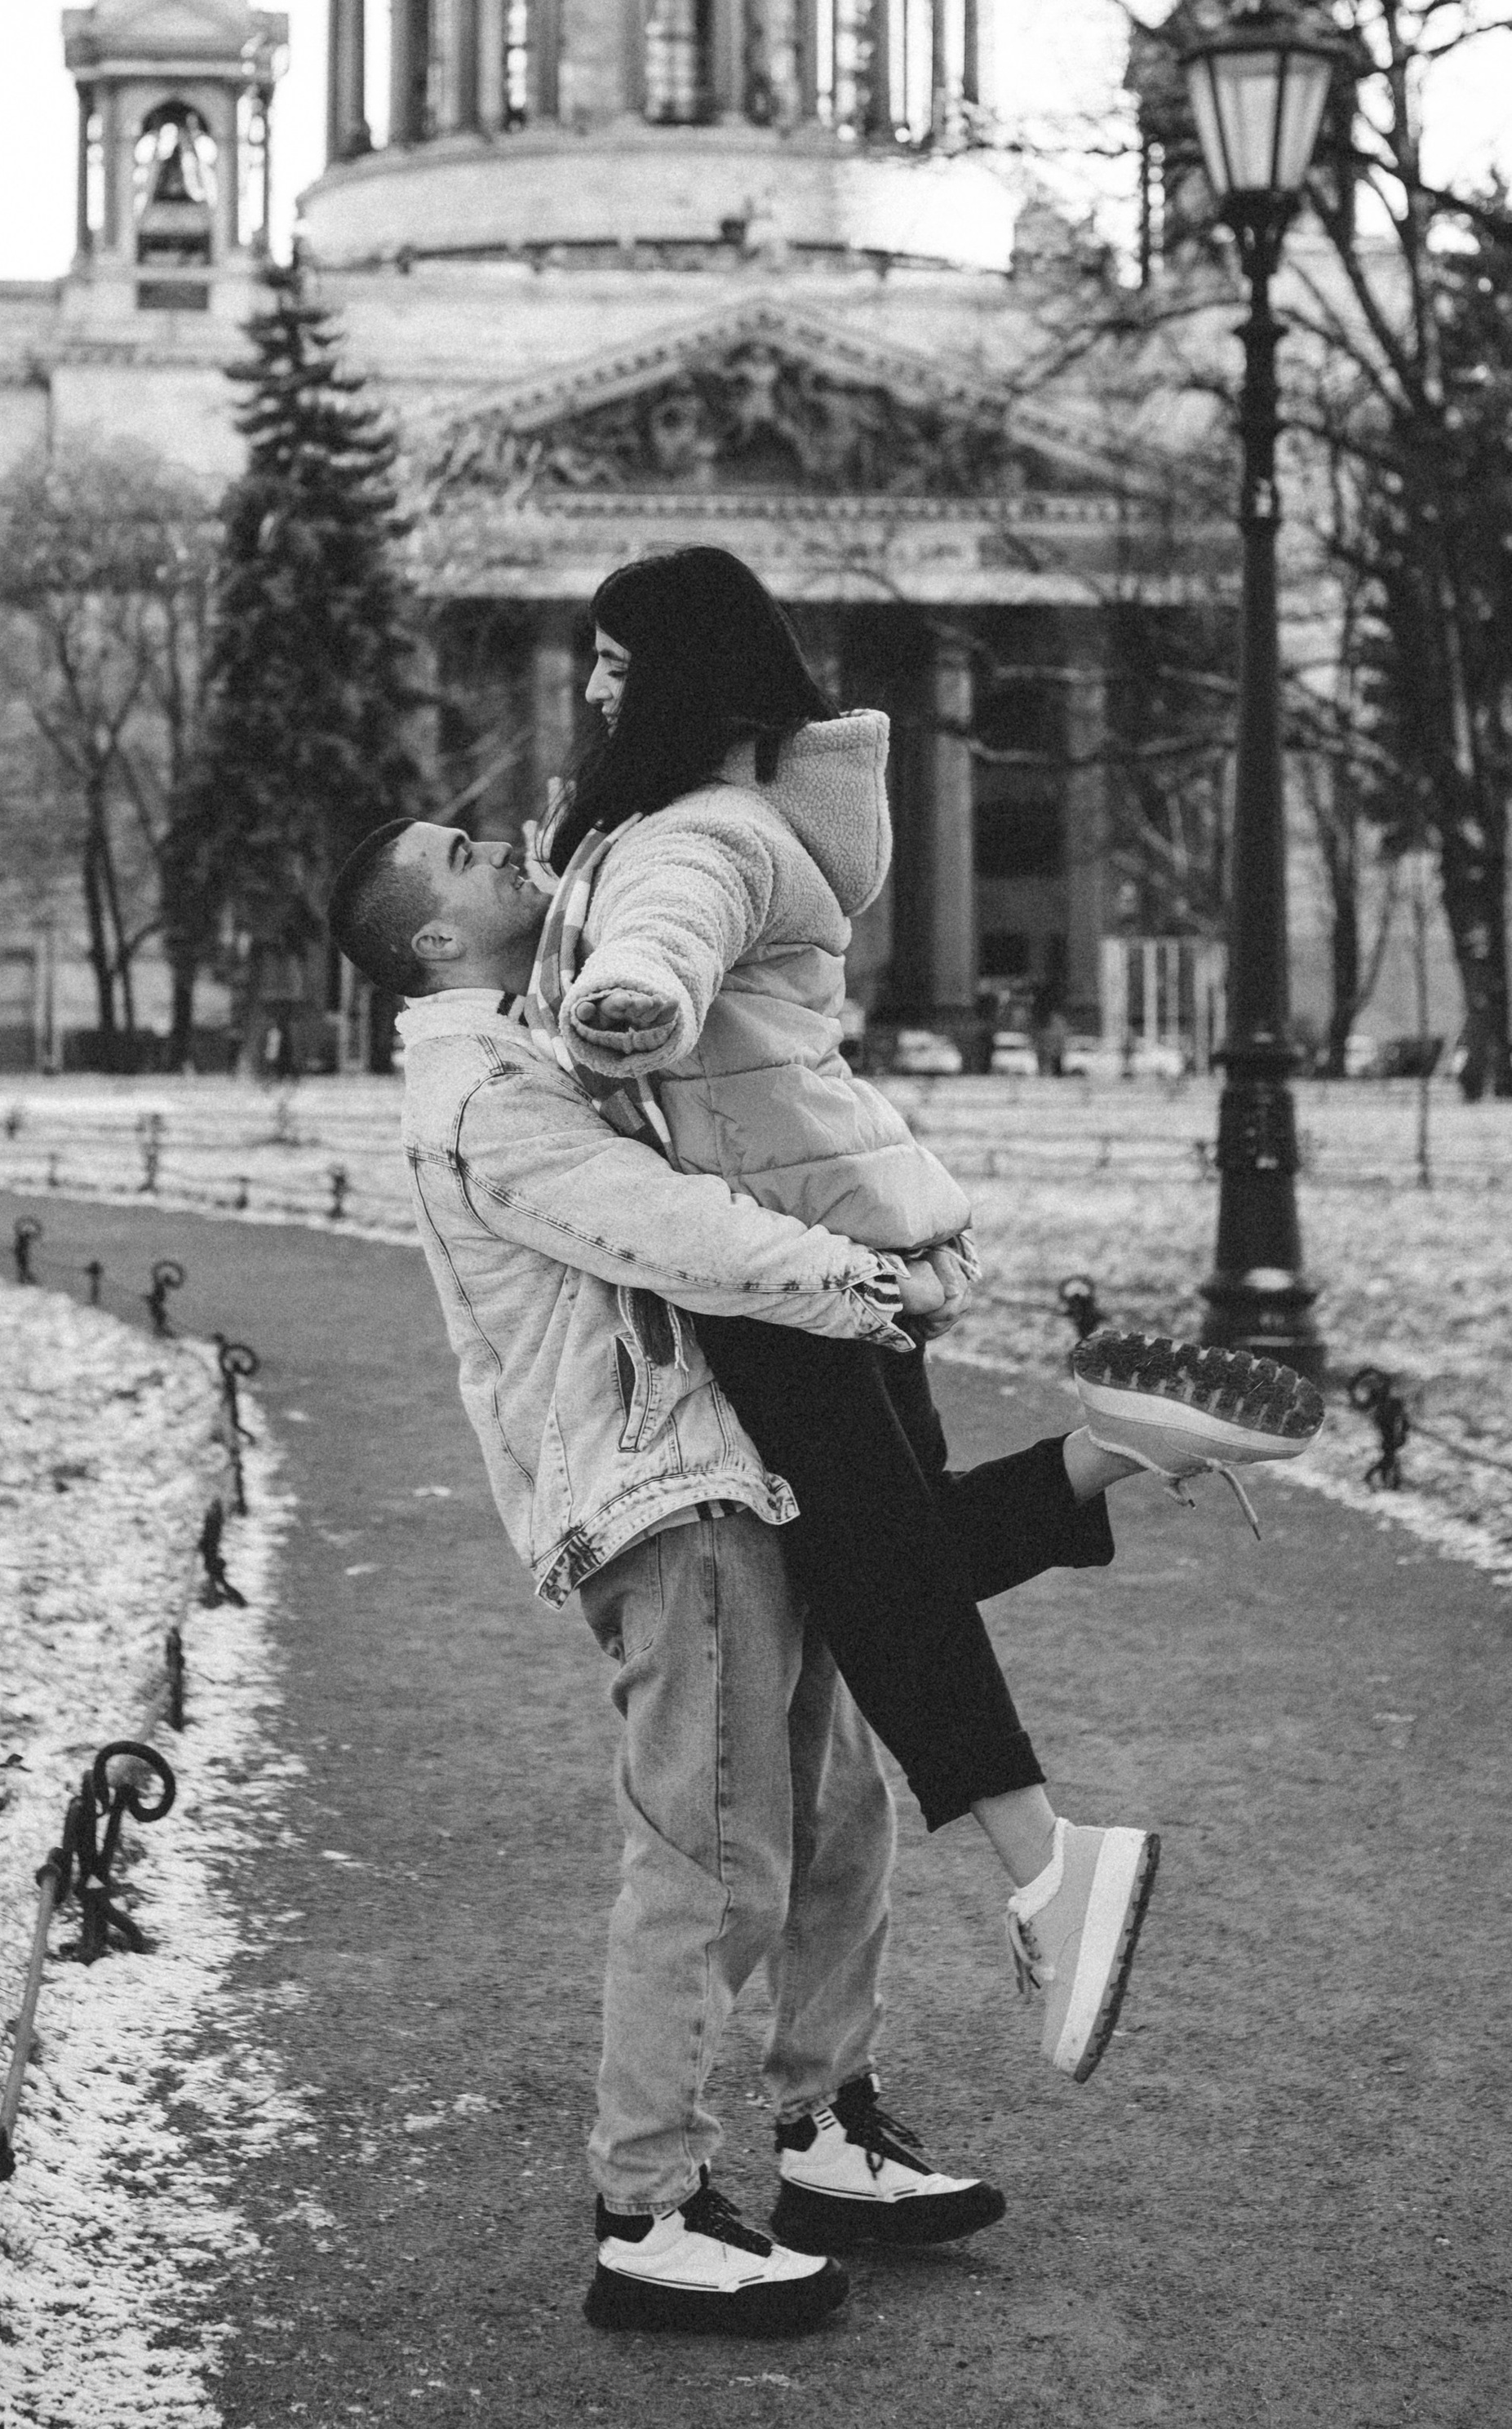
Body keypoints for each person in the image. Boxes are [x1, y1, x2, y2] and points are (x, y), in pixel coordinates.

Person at [327, 817, 1155, 2340]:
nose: (499, 845)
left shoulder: (554, 1039)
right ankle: (647, 2210)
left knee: (835, 1822)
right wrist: (870, 1277)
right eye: (460, 854)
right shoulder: (484, 1097)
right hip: (670, 1499)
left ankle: (827, 2126)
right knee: (711, 1857)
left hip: (744, 1470)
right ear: (430, 940)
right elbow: (685, 1235)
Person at [530, 545, 1320, 1932]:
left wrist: (632, 992)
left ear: (682, 678)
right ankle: (1120, 1446)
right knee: (907, 1549)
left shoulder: (706, 834)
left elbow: (671, 930)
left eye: (615, 663)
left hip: (778, 1255)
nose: (595, 690)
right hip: (838, 1230)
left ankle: (1051, 1866)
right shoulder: (723, 819)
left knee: (881, 1579)